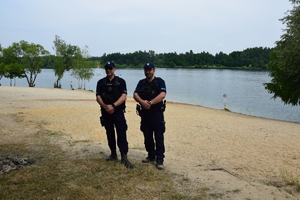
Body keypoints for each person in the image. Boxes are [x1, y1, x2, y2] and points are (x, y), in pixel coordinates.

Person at [96, 61, 134, 168]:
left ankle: (124, 157)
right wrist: (105, 107)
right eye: (107, 68)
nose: (108, 70)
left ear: (114, 69)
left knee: (121, 133)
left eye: (110, 68)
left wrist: (113, 105)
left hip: (118, 112)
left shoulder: (121, 82)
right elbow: (98, 97)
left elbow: (123, 96)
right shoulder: (100, 82)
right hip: (105, 112)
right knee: (109, 133)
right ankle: (113, 154)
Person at [133, 62, 166, 170]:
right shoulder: (141, 83)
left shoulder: (159, 82)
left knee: (159, 137)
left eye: (150, 70)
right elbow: (135, 94)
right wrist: (142, 102)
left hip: (156, 113)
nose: (148, 72)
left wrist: (150, 103)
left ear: (154, 71)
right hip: (145, 114)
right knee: (147, 136)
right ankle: (151, 155)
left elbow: (162, 95)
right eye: (146, 70)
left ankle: (160, 159)